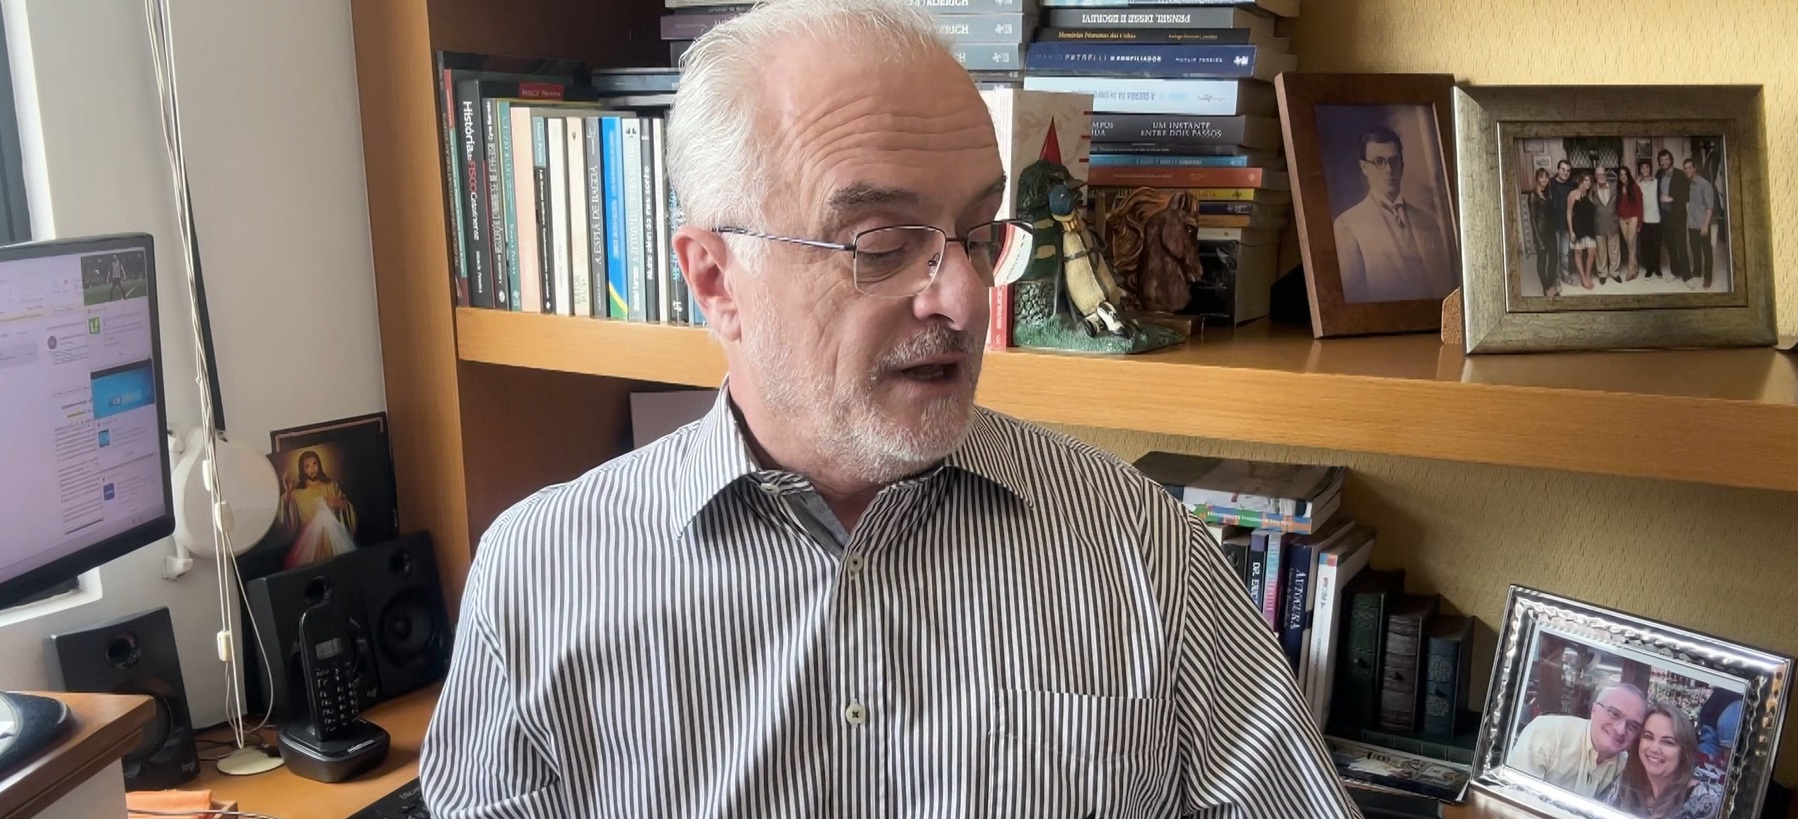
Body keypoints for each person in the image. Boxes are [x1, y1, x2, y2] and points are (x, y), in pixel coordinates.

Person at [416, 0, 1361, 816]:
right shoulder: (538, 583)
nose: (963, 299)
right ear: (715, 280)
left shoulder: (1143, 550)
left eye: (979, 235)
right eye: (879, 243)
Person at [1332, 127, 1456, 304]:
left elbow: (1443, 288)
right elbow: (1355, 302)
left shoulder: (1428, 222)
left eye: (1394, 161)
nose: (1389, 170)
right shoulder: (1348, 225)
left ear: (1402, 166)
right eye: (1379, 161)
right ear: (1364, 168)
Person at [1507, 683, 1648, 798]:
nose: (1620, 730)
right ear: (1594, 710)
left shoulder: (1625, 768)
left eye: (1633, 726)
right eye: (1614, 714)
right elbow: (1516, 797)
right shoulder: (1548, 733)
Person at [1599, 703, 1725, 819]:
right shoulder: (1625, 782)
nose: (1654, 749)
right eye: (1648, 737)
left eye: (1668, 742)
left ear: (1683, 752)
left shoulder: (1707, 802)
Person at [274, 450, 358, 569]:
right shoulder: (296, 494)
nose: (312, 469)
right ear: (302, 469)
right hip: (309, 546)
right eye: (307, 466)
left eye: (314, 464)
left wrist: (339, 503)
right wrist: (288, 493)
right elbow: (284, 519)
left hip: (333, 542)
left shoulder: (331, 486)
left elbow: (346, 508)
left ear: (319, 465)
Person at [1683, 158, 1717, 290]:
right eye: (1685, 168)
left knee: (1707, 251)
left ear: (1694, 168)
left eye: (1689, 168)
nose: (1687, 171)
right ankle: (1697, 271)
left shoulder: (1704, 184)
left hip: (1702, 223)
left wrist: (1705, 225)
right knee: (1695, 249)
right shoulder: (1687, 184)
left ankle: (1708, 277)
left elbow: (1710, 207)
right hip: (1691, 224)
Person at [1528, 168, 1561, 296]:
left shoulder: (1548, 193)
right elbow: (1532, 219)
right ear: (1537, 179)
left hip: (1550, 231)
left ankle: (1550, 283)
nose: (1544, 180)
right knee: (1542, 260)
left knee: (1553, 258)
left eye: (1546, 177)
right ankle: (1546, 288)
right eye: (1541, 177)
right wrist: (1538, 239)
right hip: (1540, 233)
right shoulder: (1533, 196)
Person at [1658, 149, 1690, 281]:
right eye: (1662, 160)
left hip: (1678, 215)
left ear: (1671, 160)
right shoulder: (1659, 174)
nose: (1664, 162)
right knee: (1670, 245)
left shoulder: (1680, 174)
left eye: (1666, 159)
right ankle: (1674, 271)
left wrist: (1671, 199)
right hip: (1665, 215)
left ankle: (1687, 276)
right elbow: (1655, 189)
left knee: (1681, 245)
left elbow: (1686, 195)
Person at [1567, 171, 1598, 291]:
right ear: (1580, 181)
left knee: (1591, 252)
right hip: (1578, 227)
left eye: (1590, 181)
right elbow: (1568, 213)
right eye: (1586, 180)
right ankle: (1583, 277)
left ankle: (1587, 274)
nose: (1588, 183)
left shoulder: (1590, 194)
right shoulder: (1573, 194)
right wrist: (1571, 231)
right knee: (1578, 252)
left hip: (1589, 227)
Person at [1548, 160, 1578, 285]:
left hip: (1566, 225)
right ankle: (1556, 278)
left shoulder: (1571, 185)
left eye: (1568, 170)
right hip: (1553, 225)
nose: (1565, 172)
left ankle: (1565, 275)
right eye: (1563, 169)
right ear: (1558, 169)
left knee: (1565, 253)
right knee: (1554, 253)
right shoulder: (1550, 183)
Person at [1590, 167, 1621, 283]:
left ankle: (1614, 271)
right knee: (1601, 250)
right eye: (1598, 174)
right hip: (1599, 223)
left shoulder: (1614, 187)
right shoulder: (1592, 189)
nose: (1601, 176)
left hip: (1613, 222)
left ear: (1606, 175)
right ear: (1595, 176)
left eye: (1603, 174)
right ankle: (1602, 273)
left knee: (1614, 249)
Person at [1636, 159, 1663, 278]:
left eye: (1647, 167)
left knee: (1657, 246)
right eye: (1642, 168)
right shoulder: (1638, 185)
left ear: (1650, 169)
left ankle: (1657, 268)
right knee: (1646, 246)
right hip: (1644, 220)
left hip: (1656, 218)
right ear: (1640, 170)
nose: (1645, 170)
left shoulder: (1656, 182)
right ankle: (1649, 268)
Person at [1617, 165, 1642, 281]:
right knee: (1628, 244)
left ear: (1628, 175)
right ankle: (1635, 266)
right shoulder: (1618, 188)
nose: (1623, 176)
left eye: (1625, 174)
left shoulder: (1635, 187)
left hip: (1633, 218)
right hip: (1622, 218)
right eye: (1621, 174)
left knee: (1632, 243)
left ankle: (1630, 269)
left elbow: (1640, 206)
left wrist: (1639, 223)